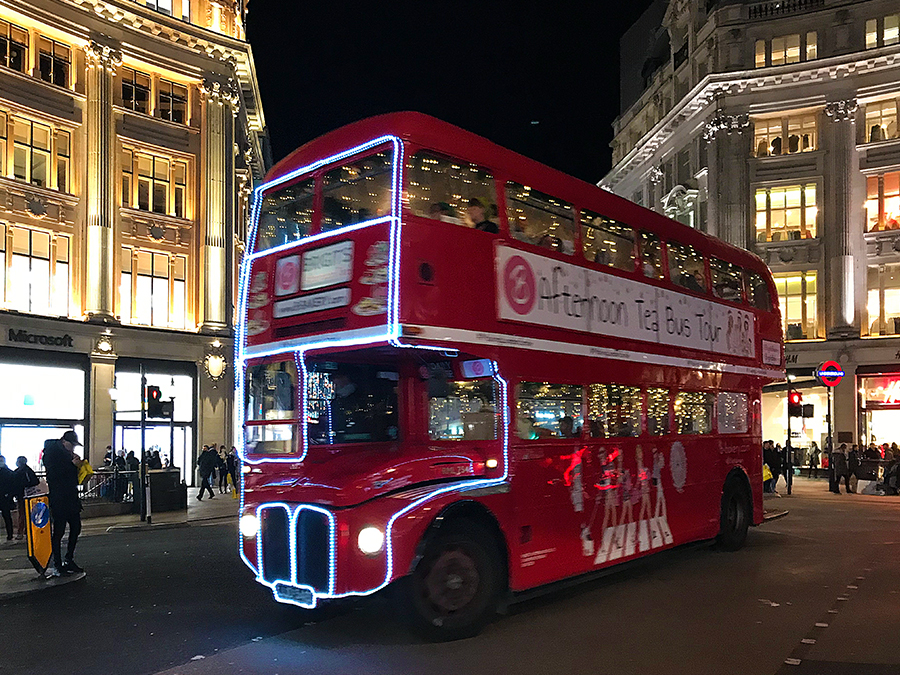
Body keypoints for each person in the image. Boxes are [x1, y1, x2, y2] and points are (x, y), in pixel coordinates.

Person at [42, 430, 85, 576]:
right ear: (64, 442)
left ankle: (69, 559)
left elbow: (71, 477)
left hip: (71, 497)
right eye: (71, 445)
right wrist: (72, 465)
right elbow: (54, 475)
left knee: (76, 527)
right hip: (59, 498)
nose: (72, 448)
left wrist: (77, 465)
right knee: (59, 531)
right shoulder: (52, 453)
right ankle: (58, 563)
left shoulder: (67, 454)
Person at [13, 456, 39, 539]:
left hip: (22, 496)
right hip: (29, 495)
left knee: (22, 514)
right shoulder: (29, 471)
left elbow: (16, 484)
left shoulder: (18, 472)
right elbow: (35, 481)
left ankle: (21, 531)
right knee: (29, 513)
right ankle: (27, 530)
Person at [0, 456, 15, 541]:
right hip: (5, 496)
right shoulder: (9, 472)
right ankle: (10, 534)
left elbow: (12, 485)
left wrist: (9, 495)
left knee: (7, 516)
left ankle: (10, 534)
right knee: (7, 516)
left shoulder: (8, 473)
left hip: (5, 497)